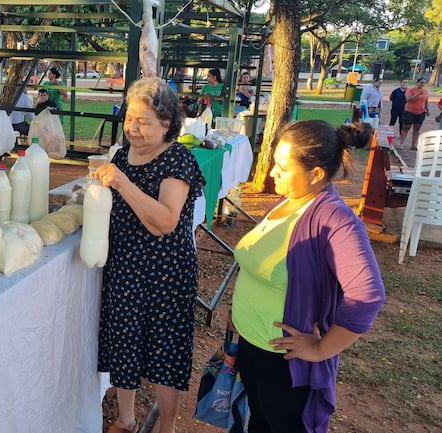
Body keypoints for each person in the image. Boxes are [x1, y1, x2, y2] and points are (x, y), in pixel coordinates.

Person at [231, 120, 385, 433]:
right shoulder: (290, 201)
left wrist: (321, 349)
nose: (272, 173)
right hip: (253, 347)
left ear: (315, 174)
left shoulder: (335, 221)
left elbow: (367, 296)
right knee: (259, 421)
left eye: (283, 167)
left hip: (285, 364)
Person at [93, 77, 206, 433]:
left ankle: (166, 427)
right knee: (124, 343)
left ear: (166, 124)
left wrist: (123, 183)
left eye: (143, 122)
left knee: (164, 352)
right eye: (130, 118)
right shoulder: (121, 156)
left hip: (165, 273)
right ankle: (126, 418)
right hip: (125, 267)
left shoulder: (177, 159)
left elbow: (165, 222)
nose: (133, 128)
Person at [399, 77, 429, 150]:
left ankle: (414, 144)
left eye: (424, 83)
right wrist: (418, 93)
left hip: (421, 112)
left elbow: (426, 101)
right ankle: (402, 143)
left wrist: (427, 109)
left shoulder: (425, 91)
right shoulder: (411, 90)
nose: (422, 84)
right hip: (410, 111)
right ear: (417, 83)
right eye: (421, 82)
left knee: (417, 129)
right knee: (406, 127)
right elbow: (408, 99)